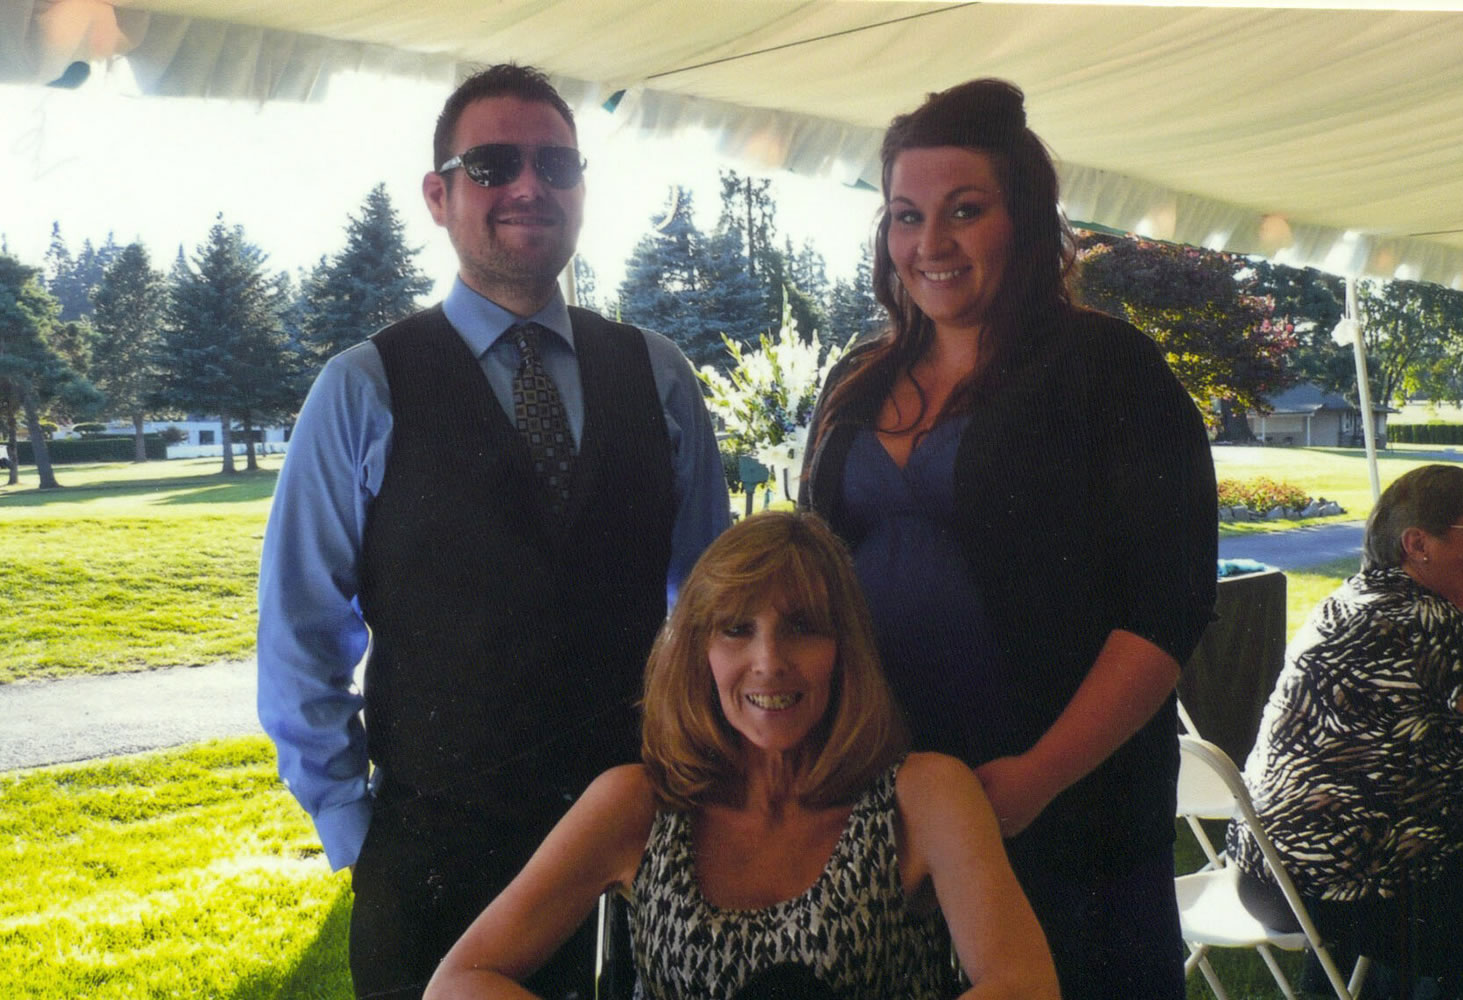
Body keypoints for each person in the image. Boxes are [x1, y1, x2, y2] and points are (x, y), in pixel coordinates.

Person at [256, 64, 730, 1000]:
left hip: (638, 853)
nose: (528, 186)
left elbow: (714, 610)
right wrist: (355, 829)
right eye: (492, 163)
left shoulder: (660, 375)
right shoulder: (362, 387)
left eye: (555, 163)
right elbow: (299, 633)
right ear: (439, 195)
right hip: (436, 862)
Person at [798, 78, 1217, 998]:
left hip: (1060, 801)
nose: (929, 244)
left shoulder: (1109, 369)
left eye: (964, 211)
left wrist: (1035, 779)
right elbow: (807, 576)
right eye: (905, 215)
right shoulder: (858, 378)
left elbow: (1167, 604)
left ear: (1024, 221)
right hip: (882, 793)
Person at [423, 511, 1060, 1000]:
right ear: (700, 650)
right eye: (737, 629)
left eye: (802, 627)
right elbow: (458, 982)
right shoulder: (637, 803)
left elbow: (1029, 986)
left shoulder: (922, 794)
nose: (770, 661)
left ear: (845, 648)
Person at [1229, 464, 1463, 997]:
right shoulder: (1432, 623)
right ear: (1418, 544)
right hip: (1341, 886)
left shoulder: (1347, 600)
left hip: (1269, 875)